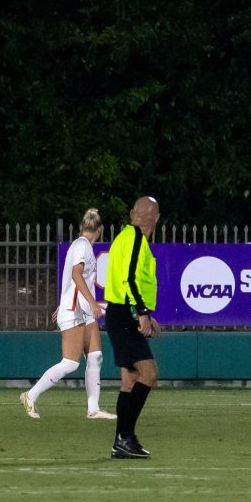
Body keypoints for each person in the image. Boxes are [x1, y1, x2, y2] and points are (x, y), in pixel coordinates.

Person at [20, 208, 116, 421]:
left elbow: (72, 281)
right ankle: (30, 395)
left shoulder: (82, 247)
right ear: (98, 230)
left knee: (95, 356)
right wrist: (92, 303)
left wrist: (83, 303)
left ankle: (93, 409)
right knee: (71, 363)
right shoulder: (82, 245)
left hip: (81, 310)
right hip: (75, 311)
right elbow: (76, 274)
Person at [103, 196, 162, 459]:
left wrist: (145, 312)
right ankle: (125, 437)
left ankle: (122, 442)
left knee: (129, 381)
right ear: (157, 218)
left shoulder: (123, 237)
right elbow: (129, 278)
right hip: (125, 314)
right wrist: (141, 312)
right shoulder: (137, 238)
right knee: (148, 373)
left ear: (131, 214)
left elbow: (124, 279)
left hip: (118, 312)